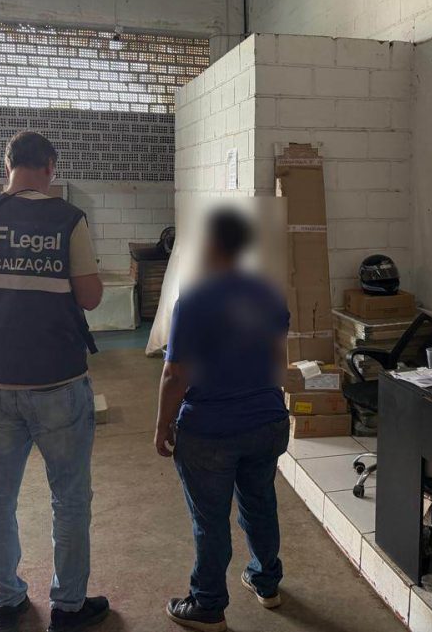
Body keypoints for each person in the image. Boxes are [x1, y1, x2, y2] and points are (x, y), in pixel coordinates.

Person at [0, 131, 107, 632]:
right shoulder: (68, 219)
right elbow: (90, 297)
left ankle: (7, 602)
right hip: (58, 380)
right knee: (69, 498)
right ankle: (69, 606)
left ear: (8, 166)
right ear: (49, 167)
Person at [154, 208, 290, 632]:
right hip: (267, 421)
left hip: (211, 430)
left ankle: (208, 605)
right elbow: (276, 357)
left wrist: (162, 424)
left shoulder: (195, 301)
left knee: (210, 520)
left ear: (211, 245)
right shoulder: (268, 294)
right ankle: (266, 582)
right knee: (260, 502)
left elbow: (175, 374)